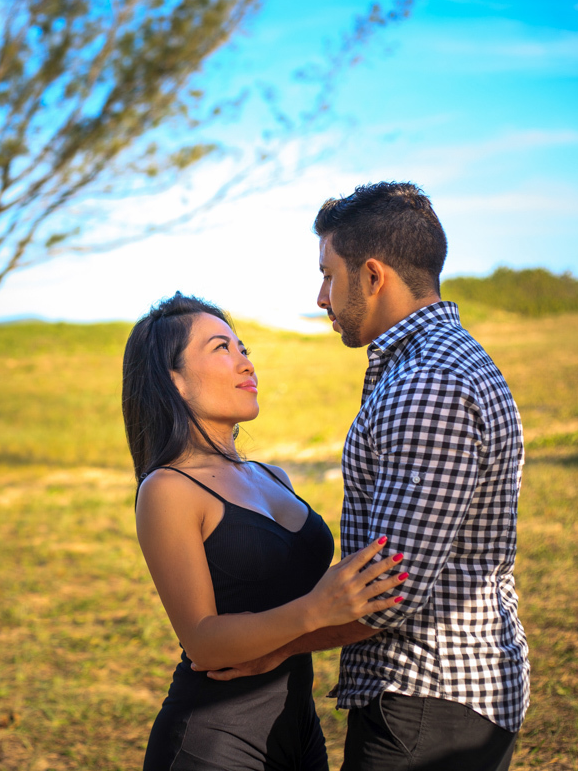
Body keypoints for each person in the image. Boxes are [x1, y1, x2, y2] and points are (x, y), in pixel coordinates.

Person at [194, 183, 530, 770]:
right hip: (442, 696)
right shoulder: (439, 361)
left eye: (329, 274)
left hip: (427, 696)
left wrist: (269, 650)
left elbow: (388, 593)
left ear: (373, 276)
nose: (321, 296)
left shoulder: (428, 383)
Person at [122, 293, 410, 771]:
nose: (246, 364)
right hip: (213, 741)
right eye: (222, 350)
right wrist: (315, 609)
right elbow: (203, 641)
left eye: (244, 349)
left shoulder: (273, 476)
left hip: (299, 734)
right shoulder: (169, 488)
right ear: (173, 381)